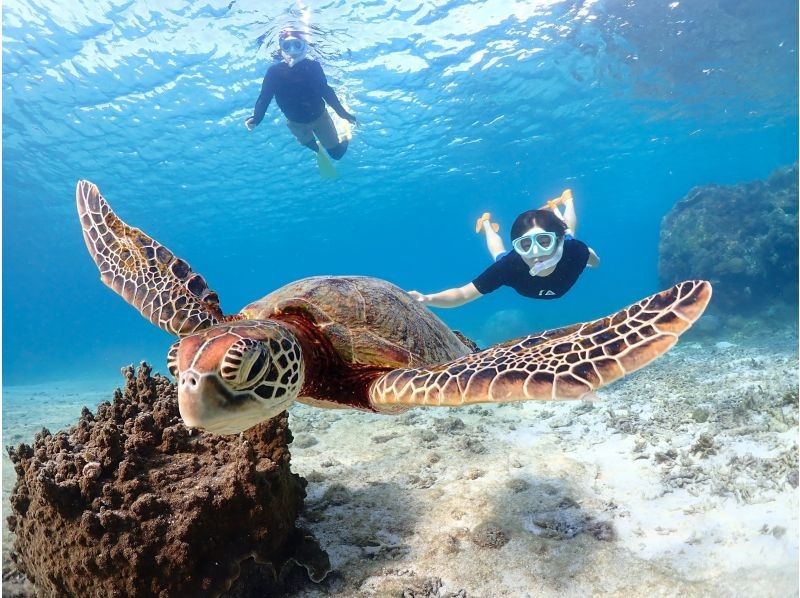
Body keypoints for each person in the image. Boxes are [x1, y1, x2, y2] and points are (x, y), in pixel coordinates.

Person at [408, 190, 600, 307]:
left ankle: (567, 201)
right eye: (525, 244)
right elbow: (463, 294)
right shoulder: (510, 266)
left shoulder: (575, 251)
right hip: (517, 260)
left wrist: (593, 262)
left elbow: (592, 258)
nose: (536, 253)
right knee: (499, 255)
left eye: (543, 241)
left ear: (557, 242)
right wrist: (427, 299)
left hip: (567, 241)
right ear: (516, 247)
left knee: (569, 232)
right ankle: (486, 225)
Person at [244, 29, 356, 161]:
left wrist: (342, 113)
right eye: (287, 45)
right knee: (314, 147)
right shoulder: (274, 72)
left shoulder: (313, 67)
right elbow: (265, 96)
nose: (292, 50)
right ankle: (315, 145)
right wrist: (257, 118)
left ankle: (345, 137)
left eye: (297, 45)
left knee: (337, 155)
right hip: (295, 123)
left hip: (320, 119)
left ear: (304, 45)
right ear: (281, 47)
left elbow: (326, 91)